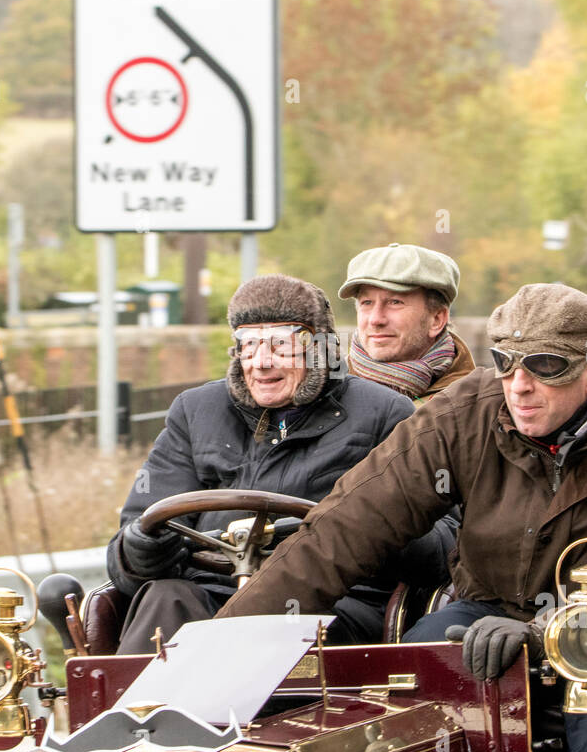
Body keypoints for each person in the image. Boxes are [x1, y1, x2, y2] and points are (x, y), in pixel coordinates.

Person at [217, 283, 587, 752]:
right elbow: (344, 527)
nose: (519, 385)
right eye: (505, 362)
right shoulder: (466, 412)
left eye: (546, 367)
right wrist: (221, 645)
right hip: (488, 607)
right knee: (401, 703)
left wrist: (543, 635)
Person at [106, 274, 455, 654]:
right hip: (208, 593)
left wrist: (373, 521)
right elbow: (135, 536)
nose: (261, 362)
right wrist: (143, 547)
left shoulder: (385, 413)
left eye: (282, 346)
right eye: (249, 345)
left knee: (278, 630)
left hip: (330, 603)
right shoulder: (195, 411)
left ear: (320, 349)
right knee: (164, 597)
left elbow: (442, 546)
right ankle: (139, 711)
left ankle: (225, 708)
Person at [340, 243, 475, 404]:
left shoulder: (476, 404)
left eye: (395, 302)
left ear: (437, 319)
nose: (375, 320)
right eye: (367, 302)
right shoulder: (325, 393)